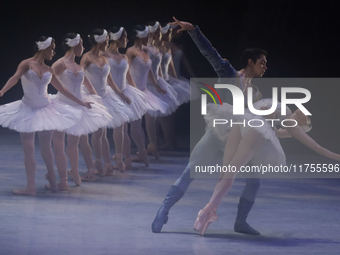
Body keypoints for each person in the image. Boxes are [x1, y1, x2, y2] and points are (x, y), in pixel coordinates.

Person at [152, 17, 266, 235]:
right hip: (218, 133)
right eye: (262, 62)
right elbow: (209, 52)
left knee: (255, 181)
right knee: (191, 170)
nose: (265, 67)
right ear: (250, 62)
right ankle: (163, 209)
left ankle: (240, 221)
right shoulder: (229, 73)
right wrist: (194, 30)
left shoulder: (256, 92)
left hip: (238, 140)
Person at [194, 100, 338, 235]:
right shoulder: (283, 113)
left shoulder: (290, 123)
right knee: (225, 172)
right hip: (244, 121)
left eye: (306, 118)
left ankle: (207, 212)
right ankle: (208, 212)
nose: (304, 113)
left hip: (255, 127)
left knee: (231, 170)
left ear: (301, 125)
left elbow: (316, 147)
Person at [0, 36, 92, 195]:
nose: (54, 52)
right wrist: (2, 91)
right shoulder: (26, 64)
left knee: (46, 147)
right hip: (27, 109)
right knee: (28, 148)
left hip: (46, 109)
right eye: (52, 48)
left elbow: (62, 89)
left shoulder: (49, 69)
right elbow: (14, 78)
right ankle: (31, 186)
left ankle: (53, 179)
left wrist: (81, 102)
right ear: (43, 48)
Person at [48, 33, 113, 188]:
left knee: (73, 141)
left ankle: (75, 172)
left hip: (77, 105)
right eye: (81, 44)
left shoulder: (77, 65)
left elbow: (86, 82)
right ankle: (62, 179)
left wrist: (97, 98)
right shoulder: (60, 63)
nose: (83, 47)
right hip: (63, 105)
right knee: (58, 143)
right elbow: (48, 78)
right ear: (74, 44)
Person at [80, 28, 132, 178]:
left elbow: (108, 79)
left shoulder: (104, 58)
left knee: (102, 134)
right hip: (93, 97)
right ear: (100, 41)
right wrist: (89, 93)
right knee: (97, 134)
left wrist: (120, 94)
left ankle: (106, 164)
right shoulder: (87, 57)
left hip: (105, 96)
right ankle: (98, 164)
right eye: (107, 41)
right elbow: (80, 74)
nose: (108, 43)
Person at [104, 26, 149, 170]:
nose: (127, 40)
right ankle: (108, 160)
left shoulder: (123, 56)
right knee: (110, 129)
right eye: (125, 37)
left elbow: (128, 76)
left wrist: (137, 91)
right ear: (118, 38)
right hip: (111, 93)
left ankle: (125, 158)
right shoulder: (104, 55)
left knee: (122, 128)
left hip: (124, 91)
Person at [126, 25, 168, 165]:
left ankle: (144, 150)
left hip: (144, 91)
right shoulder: (131, 51)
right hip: (134, 90)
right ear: (140, 36)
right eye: (147, 36)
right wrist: (132, 88)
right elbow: (126, 71)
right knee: (136, 124)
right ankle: (141, 152)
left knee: (144, 122)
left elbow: (149, 70)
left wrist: (156, 85)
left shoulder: (145, 51)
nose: (149, 38)